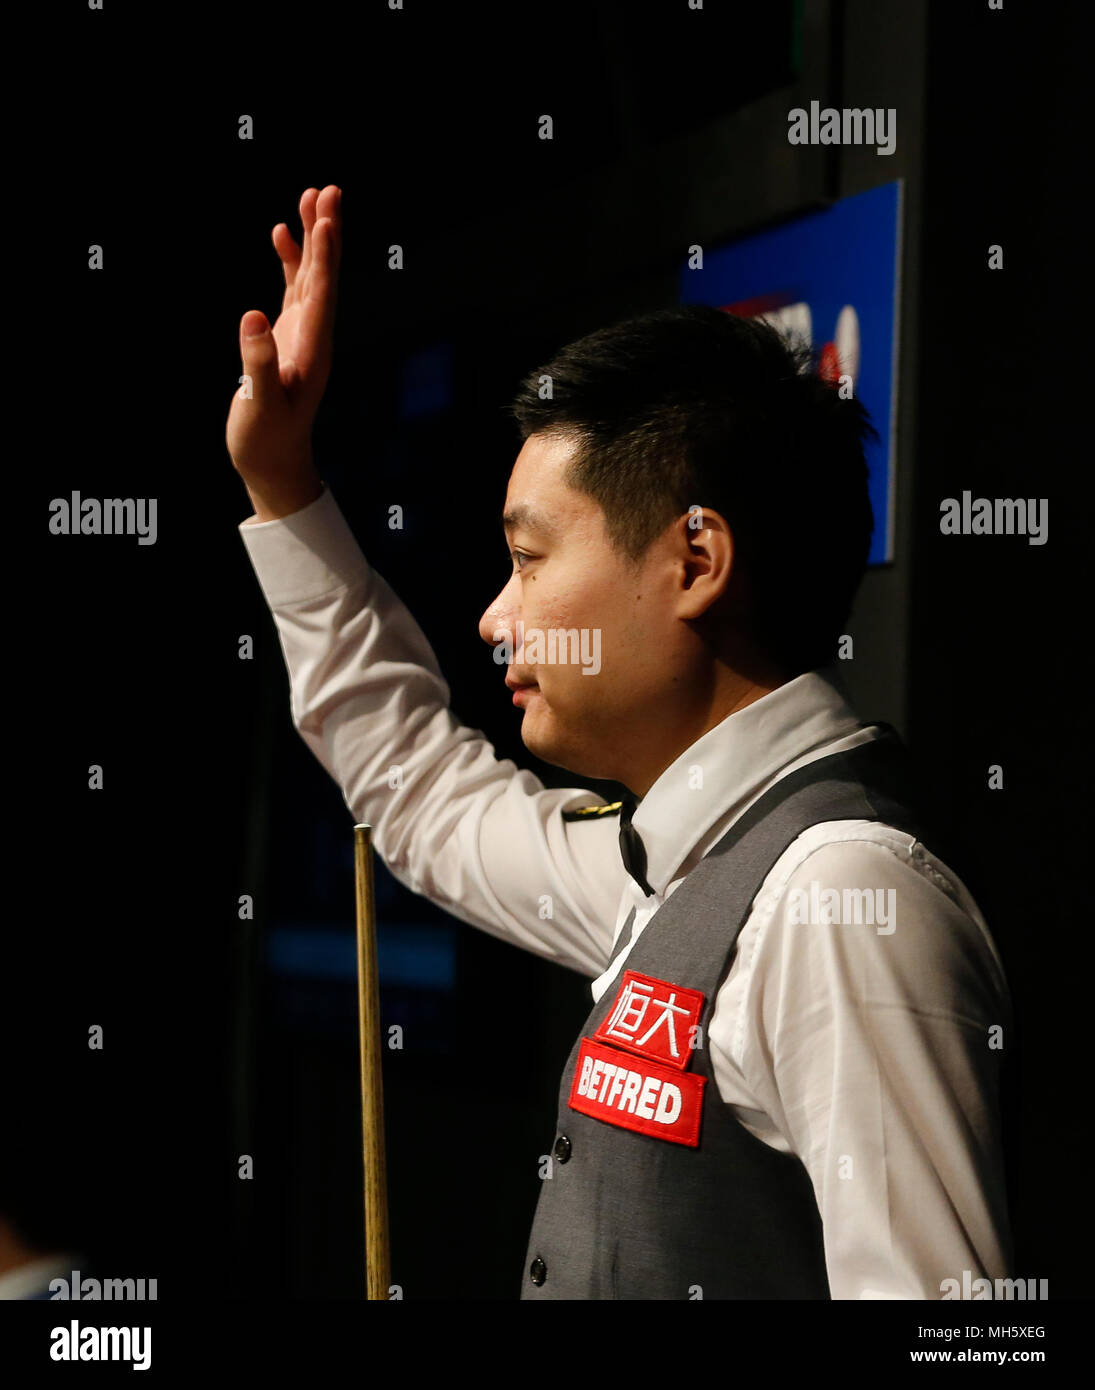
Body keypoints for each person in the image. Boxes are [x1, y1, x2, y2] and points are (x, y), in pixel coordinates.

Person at [227, 185, 1013, 1299]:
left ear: (696, 560)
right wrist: (283, 485)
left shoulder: (841, 898)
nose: (496, 615)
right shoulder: (672, 863)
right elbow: (422, 797)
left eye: (531, 558)